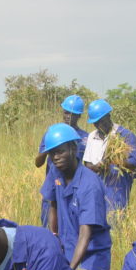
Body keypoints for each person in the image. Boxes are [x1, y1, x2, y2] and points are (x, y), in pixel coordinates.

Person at [41, 123, 113, 270]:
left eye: (61, 151)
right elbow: (52, 203)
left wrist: (69, 268)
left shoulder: (89, 184)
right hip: (68, 251)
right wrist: (53, 240)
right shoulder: (55, 171)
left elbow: (86, 233)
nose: (56, 157)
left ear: (74, 149)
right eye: (52, 153)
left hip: (91, 258)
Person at [33, 95, 88, 226]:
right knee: (49, 224)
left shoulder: (85, 138)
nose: (68, 116)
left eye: (73, 114)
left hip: (74, 189)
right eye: (66, 112)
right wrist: (50, 146)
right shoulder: (52, 133)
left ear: (79, 116)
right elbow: (38, 163)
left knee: (71, 225)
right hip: (53, 186)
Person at [82, 100, 136, 214]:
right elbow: (87, 164)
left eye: (101, 122)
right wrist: (96, 167)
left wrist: (112, 161)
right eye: (96, 123)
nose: (99, 126)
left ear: (108, 117)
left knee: (115, 221)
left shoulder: (124, 135)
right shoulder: (92, 136)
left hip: (117, 188)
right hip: (95, 187)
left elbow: (132, 165)